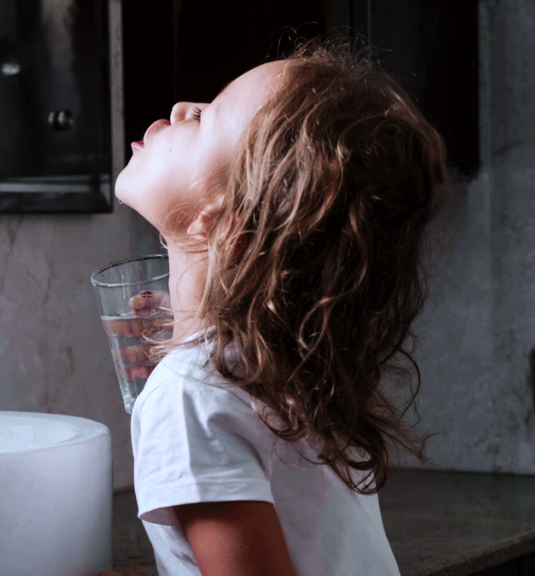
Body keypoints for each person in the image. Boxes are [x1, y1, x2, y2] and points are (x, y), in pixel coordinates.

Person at [97, 37, 447, 576]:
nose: (182, 108)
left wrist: (184, 377)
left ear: (224, 220)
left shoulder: (191, 395)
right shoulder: (286, 372)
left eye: (206, 119)